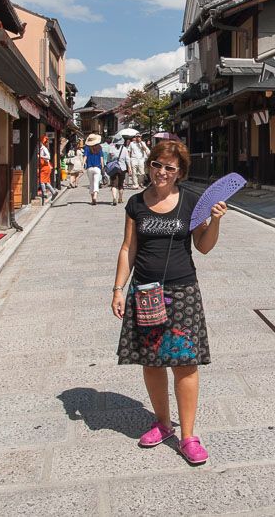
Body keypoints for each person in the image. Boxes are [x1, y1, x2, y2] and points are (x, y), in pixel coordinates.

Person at [110, 140, 227, 466]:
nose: (161, 172)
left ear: (180, 173)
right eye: (157, 165)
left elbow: (203, 246)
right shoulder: (135, 203)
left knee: (185, 363)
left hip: (182, 292)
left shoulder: (191, 201)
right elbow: (127, 249)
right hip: (145, 291)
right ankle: (162, 423)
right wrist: (119, 289)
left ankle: (188, 435)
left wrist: (214, 220)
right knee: (152, 361)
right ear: (149, 165)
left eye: (169, 168)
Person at [83, 133, 105, 205]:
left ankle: (92, 199)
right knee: (96, 183)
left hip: (89, 168)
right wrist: (102, 166)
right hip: (97, 167)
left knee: (91, 183)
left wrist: (83, 163)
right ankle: (95, 196)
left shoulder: (86, 147)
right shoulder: (99, 147)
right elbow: (101, 157)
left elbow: (85, 156)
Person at [107, 140, 130, 205]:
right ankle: (120, 198)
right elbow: (127, 159)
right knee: (121, 184)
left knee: (114, 184)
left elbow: (108, 159)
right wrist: (129, 168)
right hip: (122, 168)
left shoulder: (111, 149)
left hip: (114, 168)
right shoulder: (124, 149)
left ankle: (114, 198)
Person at [38, 135, 56, 200]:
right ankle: (53, 192)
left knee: (41, 180)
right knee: (46, 182)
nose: (39, 143)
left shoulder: (44, 149)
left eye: (39, 142)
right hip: (43, 167)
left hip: (45, 167)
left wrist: (41, 156)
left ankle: (44, 193)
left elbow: (48, 157)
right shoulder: (40, 148)